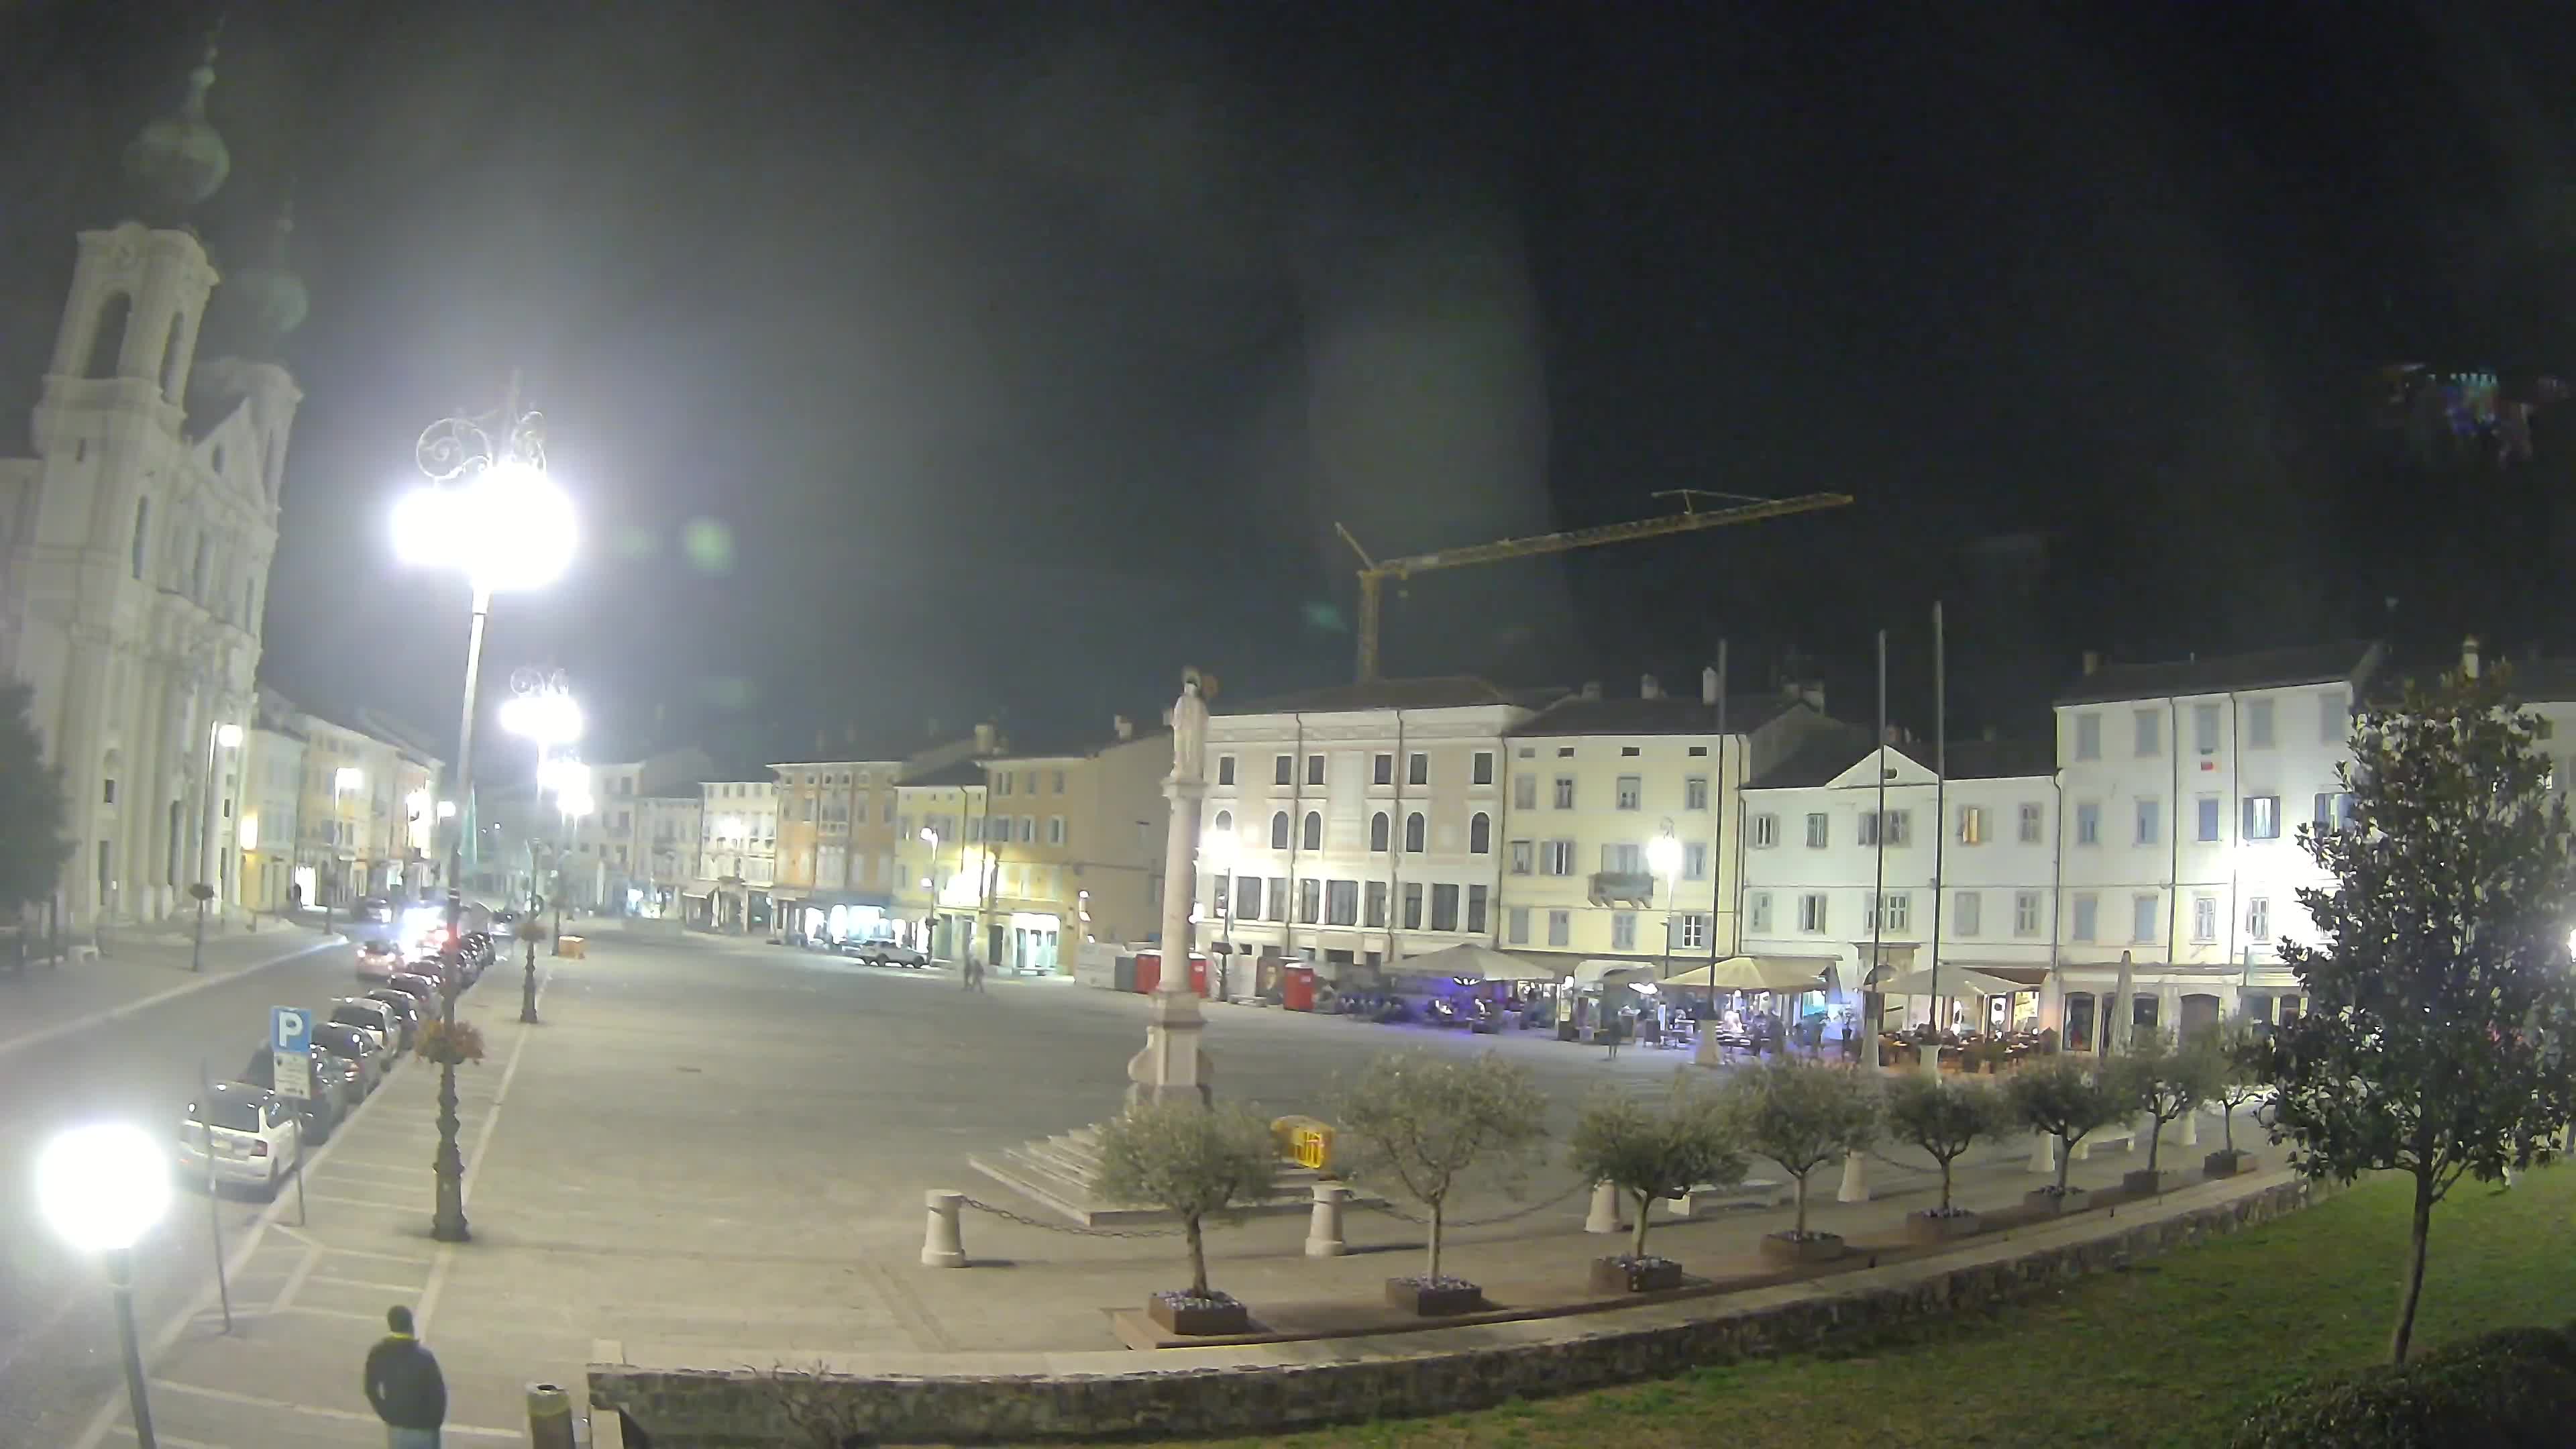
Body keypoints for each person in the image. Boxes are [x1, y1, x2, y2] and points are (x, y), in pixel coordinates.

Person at [364, 1305, 445, 1448]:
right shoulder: (425, 1358)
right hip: (425, 1428)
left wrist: (387, 1413)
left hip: (397, 1426)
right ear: (411, 1326)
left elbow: (370, 1388)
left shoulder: (379, 1353)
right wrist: (434, 1423)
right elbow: (439, 1395)